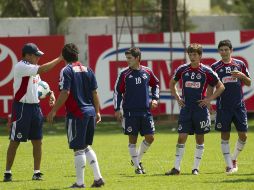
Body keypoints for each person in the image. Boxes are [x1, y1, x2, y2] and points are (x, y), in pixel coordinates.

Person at [47, 43, 105, 188]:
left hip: (77, 114)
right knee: (85, 146)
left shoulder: (66, 70)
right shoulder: (88, 70)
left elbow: (65, 92)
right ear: (77, 55)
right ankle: (98, 179)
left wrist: (54, 110)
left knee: (78, 148)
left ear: (64, 57)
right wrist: (97, 111)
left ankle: (80, 183)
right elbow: (94, 92)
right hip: (90, 112)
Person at [3, 43, 63, 182]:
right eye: (36, 55)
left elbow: (40, 85)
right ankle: (7, 172)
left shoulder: (32, 69)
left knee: (37, 141)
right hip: (22, 108)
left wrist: (51, 93)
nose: (38, 58)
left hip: (35, 108)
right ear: (28, 55)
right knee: (15, 141)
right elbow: (43, 69)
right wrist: (59, 58)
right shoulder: (21, 66)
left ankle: (37, 172)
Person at [165, 43, 225, 175]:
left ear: (200, 56)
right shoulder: (182, 69)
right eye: (190, 54)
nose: (192, 57)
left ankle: (195, 168)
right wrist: (177, 98)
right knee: (181, 137)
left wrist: (209, 100)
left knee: (199, 138)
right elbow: (172, 83)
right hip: (186, 109)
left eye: (194, 55)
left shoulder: (207, 71)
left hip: (200, 110)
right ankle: (176, 168)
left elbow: (221, 87)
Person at [113, 47, 159, 174]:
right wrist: (117, 109)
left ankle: (137, 160)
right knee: (132, 140)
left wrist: (155, 99)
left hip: (145, 112)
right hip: (130, 113)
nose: (127, 61)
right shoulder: (124, 74)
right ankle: (137, 168)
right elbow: (117, 92)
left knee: (150, 138)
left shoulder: (147, 72)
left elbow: (155, 84)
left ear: (137, 58)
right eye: (126, 58)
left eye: (130, 58)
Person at [209, 39, 251, 174]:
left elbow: (249, 83)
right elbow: (210, 85)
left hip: (239, 106)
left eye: (226, 49)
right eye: (221, 50)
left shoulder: (240, 64)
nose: (224, 52)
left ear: (231, 51)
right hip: (223, 107)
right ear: (219, 52)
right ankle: (228, 165)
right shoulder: (214, 67)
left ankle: (233, 159)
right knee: (225, 136)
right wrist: (209, 102)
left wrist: (242, 75)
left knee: (243, 135)